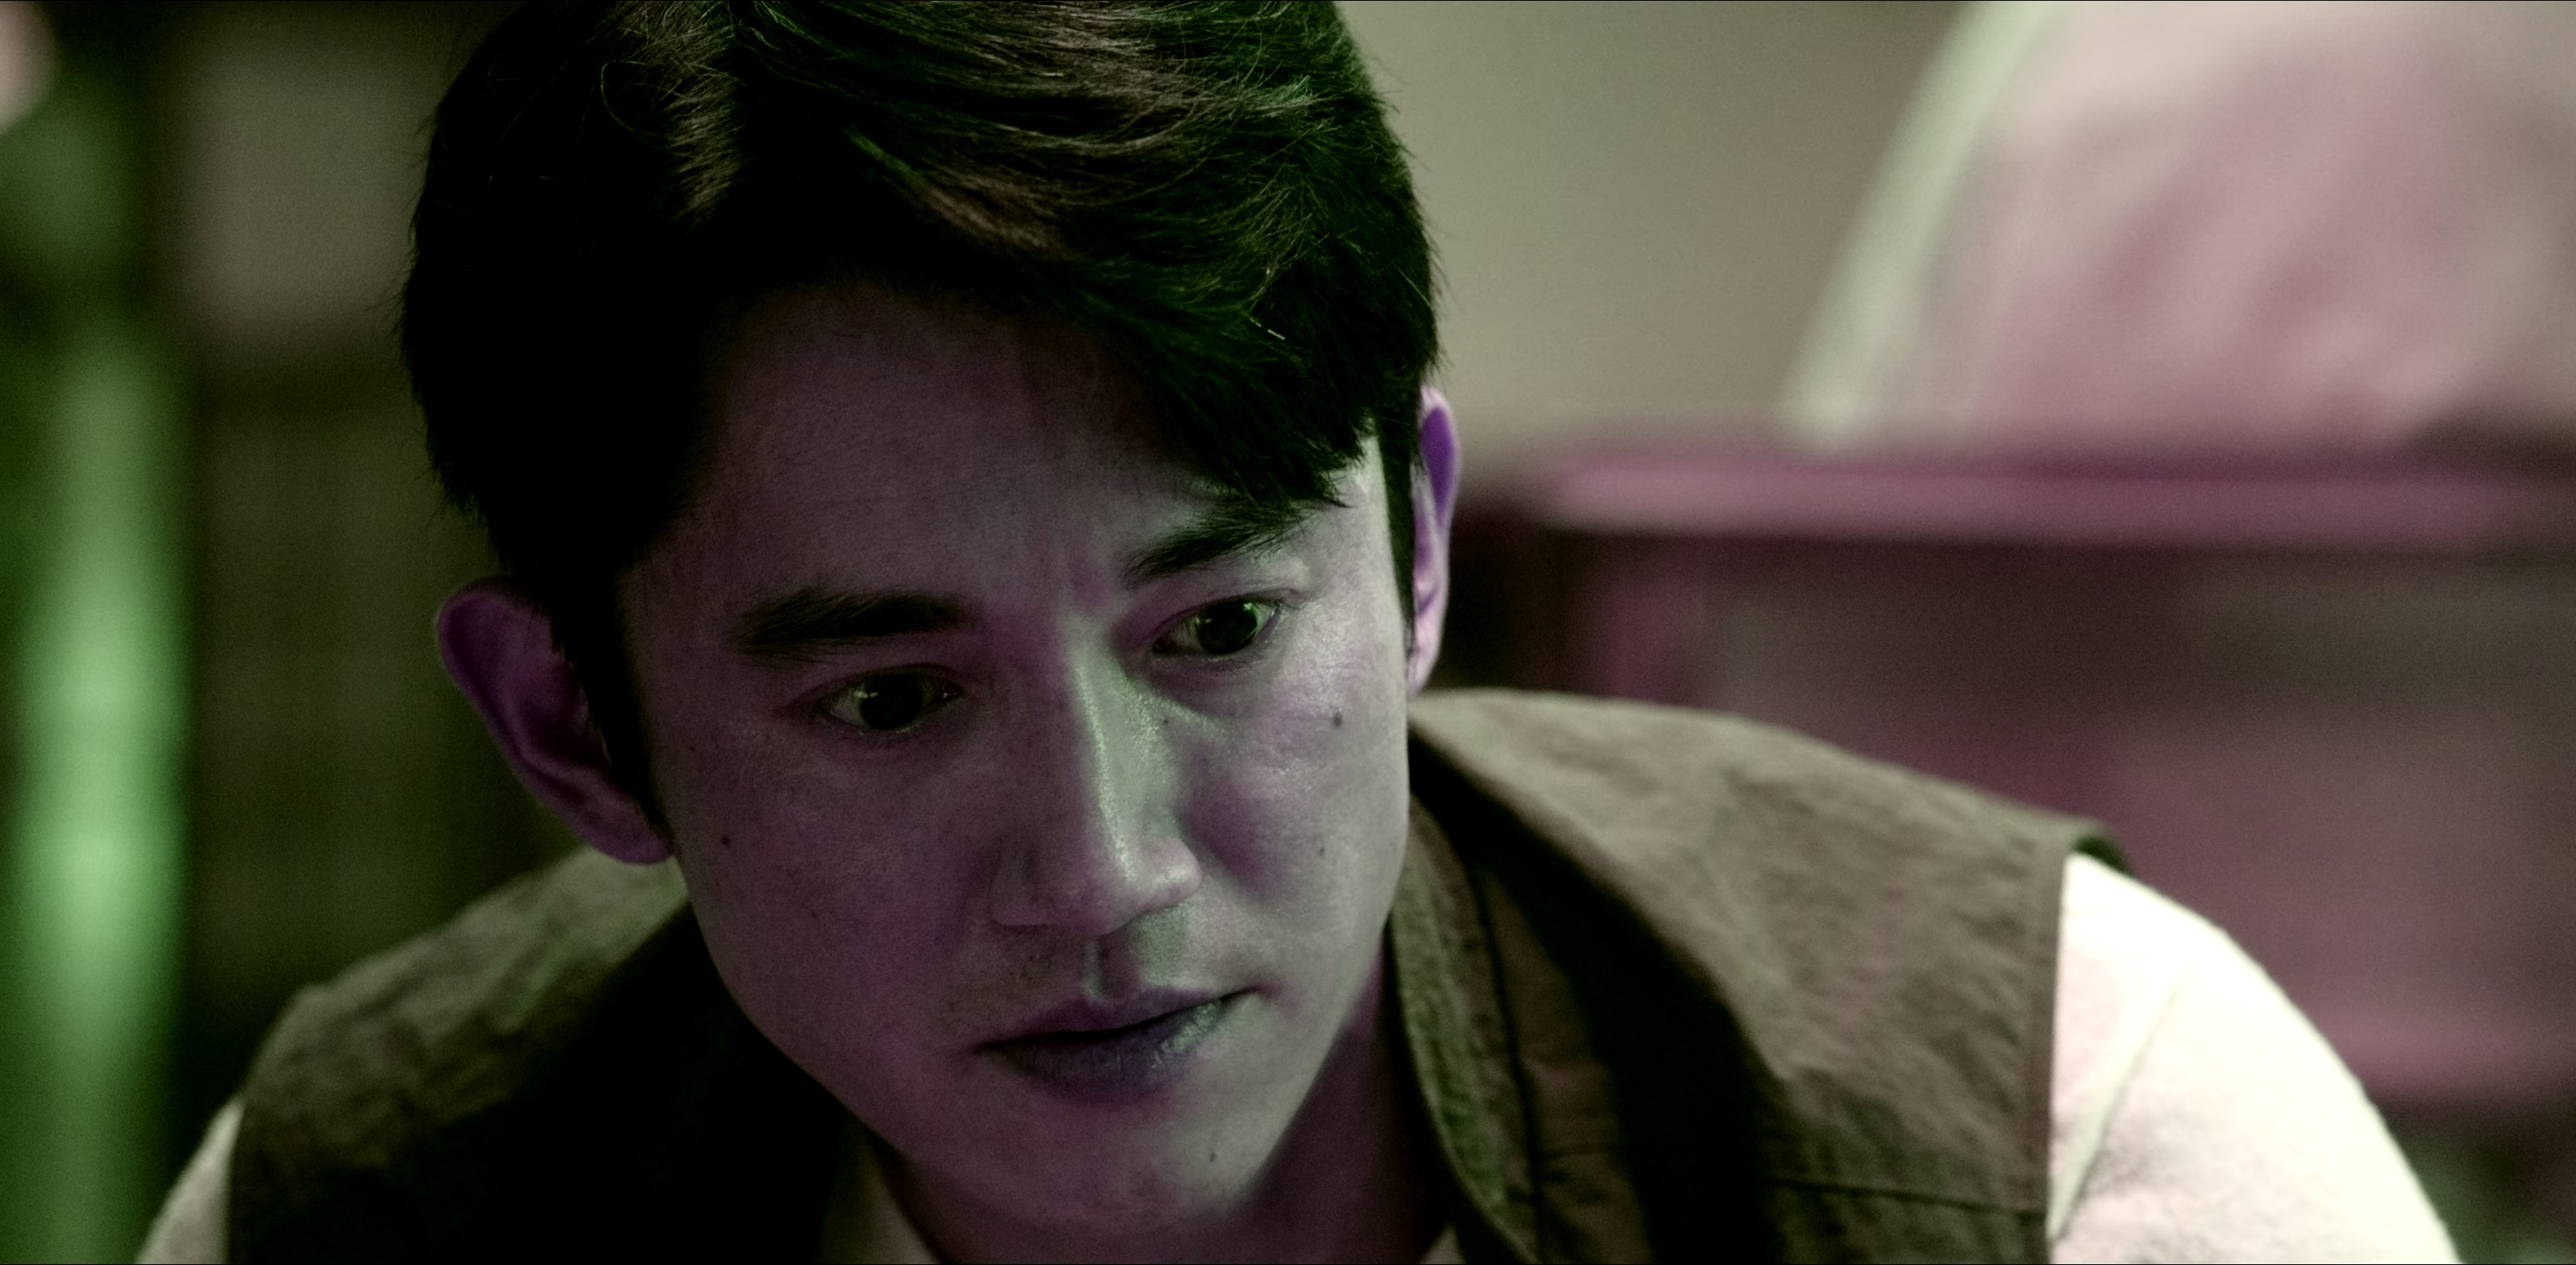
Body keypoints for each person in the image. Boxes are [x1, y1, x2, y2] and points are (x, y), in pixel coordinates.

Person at [140, 3, 2449, 1260]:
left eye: (1223, 625)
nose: (1104, 868)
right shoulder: (368, 1205)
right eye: (892, 697)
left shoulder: (2050, 1140)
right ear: (575, 729)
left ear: (1416, 551)